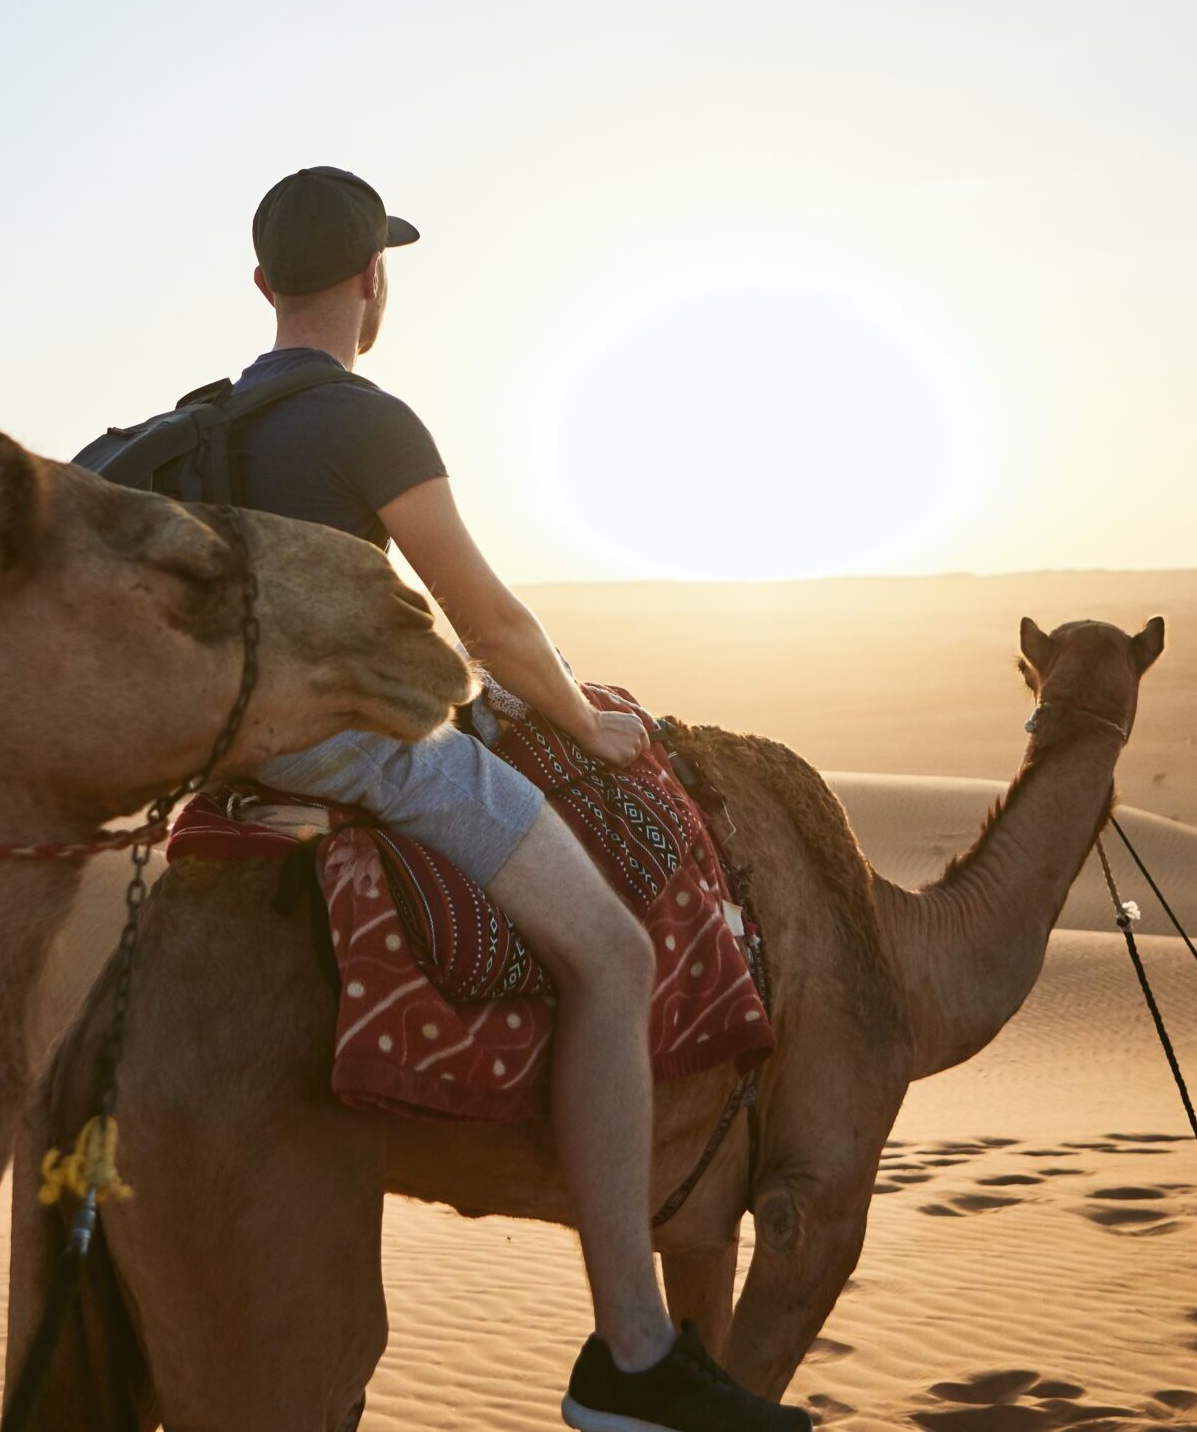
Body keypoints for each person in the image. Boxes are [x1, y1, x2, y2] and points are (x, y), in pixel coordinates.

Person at [99, 166, 809, 1432]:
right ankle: (633, 1354)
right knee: (610, 951)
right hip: (363, 758)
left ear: (263, 285)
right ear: (375, 280)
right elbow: (487, 622)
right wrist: (588, 718)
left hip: (221, 775)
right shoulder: (364, 420)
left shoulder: (180, 436)